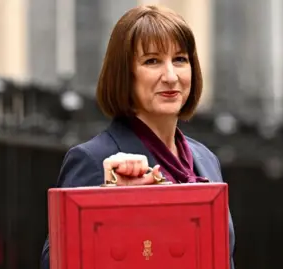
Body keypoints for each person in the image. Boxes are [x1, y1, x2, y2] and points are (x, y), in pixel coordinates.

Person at [41, 4, 235, 269]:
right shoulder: (93, 159)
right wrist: (108, 198)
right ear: (125, 75)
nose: (170, 76)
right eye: (152, 61)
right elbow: (57, 262)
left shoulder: (206, 159)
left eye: (180, 59)